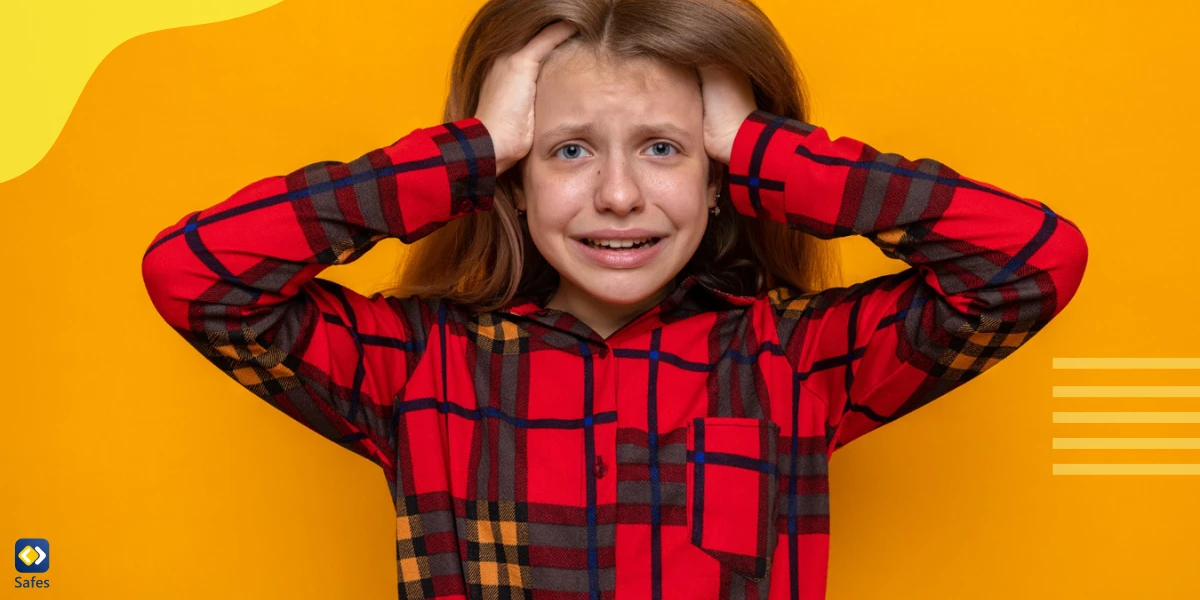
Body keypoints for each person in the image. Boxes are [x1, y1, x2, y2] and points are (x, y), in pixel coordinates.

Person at [140, 0, 1089, 598]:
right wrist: (469, 149)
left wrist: (763, 146)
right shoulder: (418, 368)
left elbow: (1029, 263)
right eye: (569, 149)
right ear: (513, 180)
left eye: (666, 147)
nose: (621, 195)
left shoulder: (791, 363)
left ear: (720, 177)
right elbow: (198, 276)